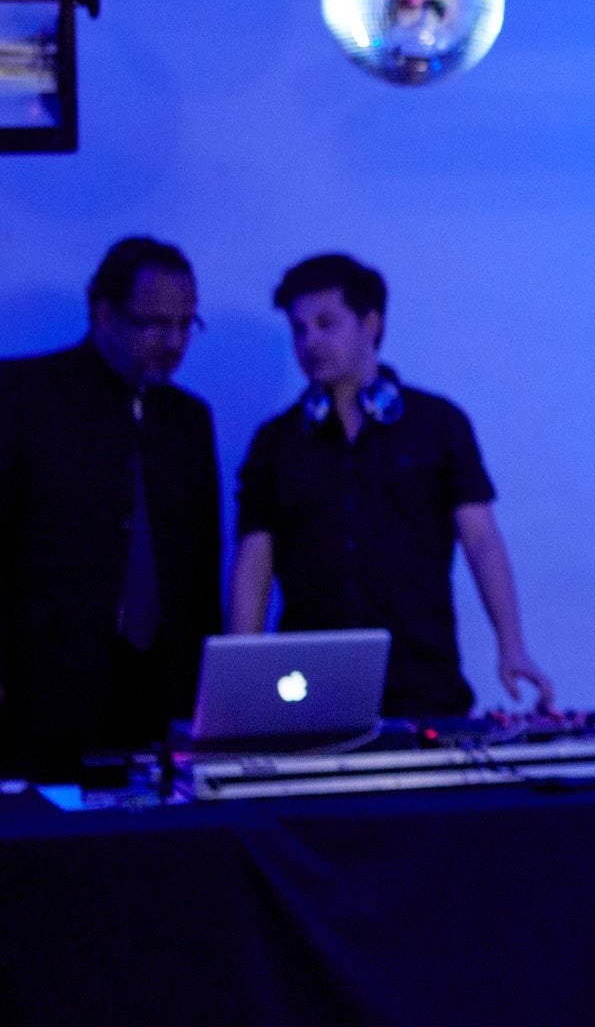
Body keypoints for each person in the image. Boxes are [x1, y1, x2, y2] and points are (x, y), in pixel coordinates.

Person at [228, 253, 555, 717]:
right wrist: (242, 674)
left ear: (371, 323)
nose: (310, 342)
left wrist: (512, 645)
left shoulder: (438, 425)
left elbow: (481, 539)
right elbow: (254, 560)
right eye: (299, 329)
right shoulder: (276, 443)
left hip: (424, 680)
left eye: (326, 324)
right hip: (309, 689)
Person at [0, 238, 221, 780]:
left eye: (185, 325)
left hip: (162, 693)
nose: (173, 343)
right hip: (45, 692)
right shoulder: (22, 397)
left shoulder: (189, 419)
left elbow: (201, 569)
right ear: (102, 313)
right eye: (153, 325)